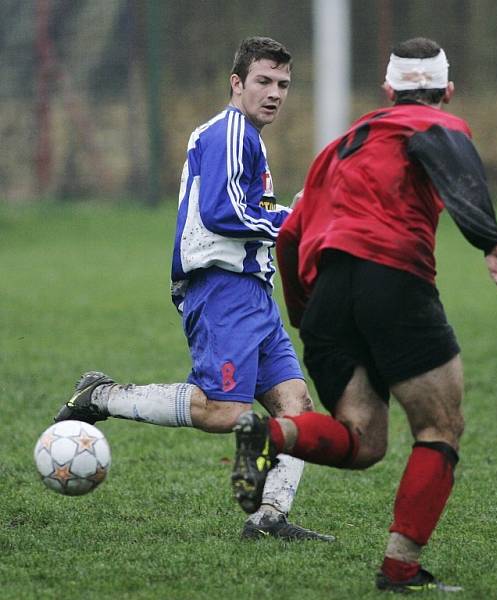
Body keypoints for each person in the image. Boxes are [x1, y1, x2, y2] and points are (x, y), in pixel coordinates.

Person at [230, 37, 497, 592]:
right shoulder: (436, 123)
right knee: (440, 426)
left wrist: (308, 316)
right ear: (447, 91)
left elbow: (292, 235)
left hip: (327, 296)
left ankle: (270, 433)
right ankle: (401, 570)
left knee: (364, 441)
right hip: (393, 279)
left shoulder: (337, 147)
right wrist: (491, 241)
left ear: (387, 90)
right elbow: (454, 161)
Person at [53, 36, 332, 542]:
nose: (274, 93)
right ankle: (104, 396)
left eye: (283, 85)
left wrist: (286, 214)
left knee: (296, 408)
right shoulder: (228, 131)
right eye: (263, 81)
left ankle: (268, 518)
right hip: (222, 288)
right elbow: (222, 214)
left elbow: (246, 212)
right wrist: (293, 221)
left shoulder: (247, 137)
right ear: (237, 82)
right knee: (224, 411)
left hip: (252, 292)